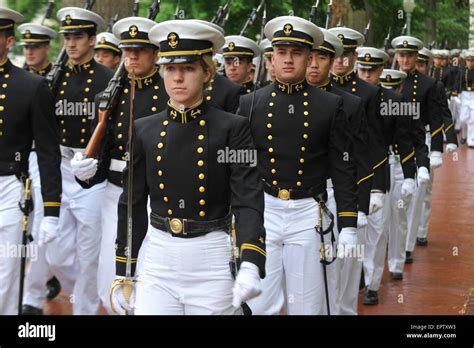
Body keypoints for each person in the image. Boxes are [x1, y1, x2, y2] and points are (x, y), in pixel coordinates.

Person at [110, 19, 266, 315]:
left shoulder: (233, 128)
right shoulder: (144, 129)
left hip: (211, 257)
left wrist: (251, 261)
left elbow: (247, 197)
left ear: (207, 72)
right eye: (170, 69)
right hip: (158, 257)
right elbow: (131, 203)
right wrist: (123, 270)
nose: (177, 78)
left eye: (188, 68)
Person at [238, 16, 358, 315]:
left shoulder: (330, 106)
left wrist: (348, 225)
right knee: (258, 301)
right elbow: (239, 168)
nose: (288, 60)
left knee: (306, 302)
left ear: (308, 57)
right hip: (264, 209)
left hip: (308, 213)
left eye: (297, 53)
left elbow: (343, 166)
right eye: (282, 52)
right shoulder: (250, 103)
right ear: (271, 58)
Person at [71, 16, 168, 315]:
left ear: (155, 54)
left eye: (140, 50)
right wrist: (85, 172)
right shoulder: (110, 96)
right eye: (127, 50)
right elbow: (100, 151)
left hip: (154, 196)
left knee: (147, 274)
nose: (132, 57)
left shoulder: (168, 95)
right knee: (109, 276)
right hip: (115, 192)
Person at [44, 7, 113, 315]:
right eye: (67, 37)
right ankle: (79, 295)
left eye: (77, 37)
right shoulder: (54, 79)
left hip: (92, 171)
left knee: (88, 252)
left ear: (92, 39)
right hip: (60, 165)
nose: (71, 44)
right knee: (55, 253)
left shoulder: (108, 80)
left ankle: (84, 310)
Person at [0, 7, 61, 315]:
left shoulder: (31, 86)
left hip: (10, 188)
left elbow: (49, 151)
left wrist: (51, 209)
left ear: (9, 40)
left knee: (6, 272)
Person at [306, 27, 372, 314]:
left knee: (338, 270)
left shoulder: (350, 103)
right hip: (293, 199)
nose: (313, 64)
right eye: (310, 57)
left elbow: (359, 159)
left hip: (334, 194)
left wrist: (360, 208)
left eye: (321, 57)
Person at [17, 22, 62, 314]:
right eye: (26, 47)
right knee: (19, 230)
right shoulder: (16, 79)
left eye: (35, 47)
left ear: (47, 48)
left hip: (42, 158)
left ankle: (37, 287)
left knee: (39, 226)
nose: (30, 52)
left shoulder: (56, 79)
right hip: (17, 161)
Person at [458, 49, 474, 147]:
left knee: (473, 118)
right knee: (463, 118)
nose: (470, 63)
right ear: (466, 61)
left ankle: (471, 140)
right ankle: (464, 135)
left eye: (472, 61)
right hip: (464, 94)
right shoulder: (462, 71)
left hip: (473, 95)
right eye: (469, 60)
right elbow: (457, 82)